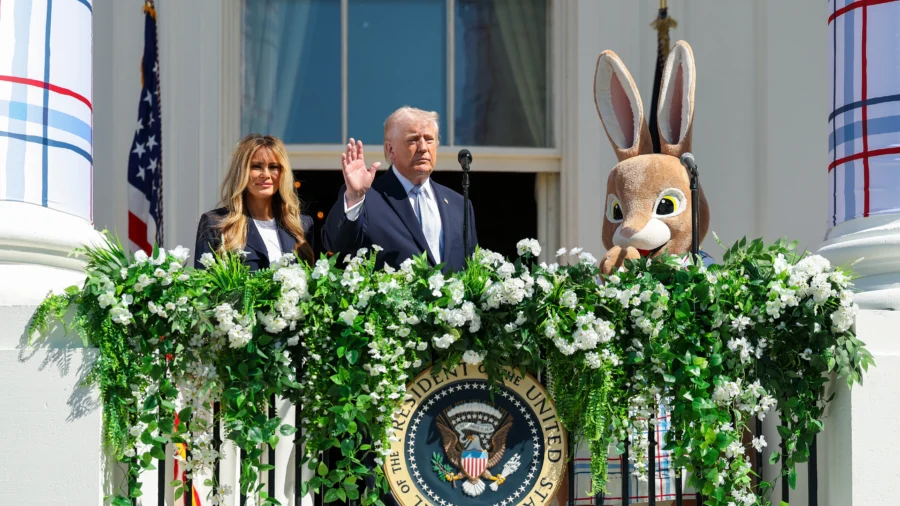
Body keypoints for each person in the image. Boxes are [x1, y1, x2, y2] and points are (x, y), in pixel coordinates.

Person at [322, 106, 477, 273]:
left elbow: (471, 269)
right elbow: (334, 244)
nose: (423, 147)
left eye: (429, 139)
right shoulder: (367, 197)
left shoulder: (459, 204)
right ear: (390, 150)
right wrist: (354, 196)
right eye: (413, 140)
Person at [193, 133, 315, 270]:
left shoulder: (301, 225)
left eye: (274, 167)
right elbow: (204, 286)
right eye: (256, 166)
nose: (266, 175)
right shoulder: (215, 224)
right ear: (241, 171)